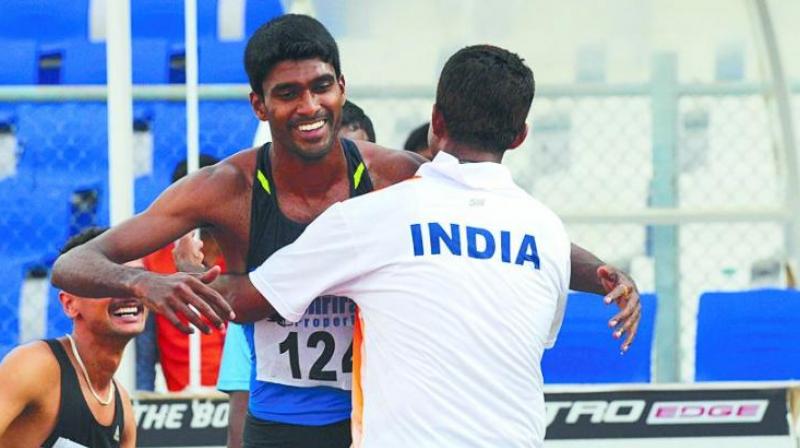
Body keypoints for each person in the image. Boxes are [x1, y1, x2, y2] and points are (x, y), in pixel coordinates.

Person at [52, 14, 640, 448]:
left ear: (343, 87)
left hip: (370, 420)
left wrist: (605, 275)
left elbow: (493, 216)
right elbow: (74, 266)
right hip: (280, 419)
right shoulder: (224, 188)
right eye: (288, 94)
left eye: (321, 87)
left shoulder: (396, 179)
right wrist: (143, 283)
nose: (309, 106)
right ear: (259, 104)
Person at [0, 227, 140, 447]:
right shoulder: (35, 367)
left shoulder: (122, 406)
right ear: (70, 304)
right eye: (111, 280)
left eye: (138, 278)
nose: (129, 291)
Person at [142, 155, 227, 392]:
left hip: (242, 393)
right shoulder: (155, 261)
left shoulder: (241, 256)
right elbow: (145, 350)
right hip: (184, 397)